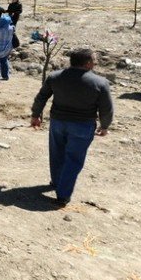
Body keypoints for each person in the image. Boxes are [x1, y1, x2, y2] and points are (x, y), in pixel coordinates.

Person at [30, 48, 113, 207]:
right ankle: (63, 195)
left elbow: (41, 97)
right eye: (94, 60)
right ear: (88, 63)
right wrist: (105, 126)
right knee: (73, 160)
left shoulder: (55, 77)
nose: (95, 62)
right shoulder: (100, 82)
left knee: (57, 153)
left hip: (57, 123)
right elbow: (106, 108)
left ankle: (56, 182)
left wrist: (35, 115)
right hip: (82, 126)